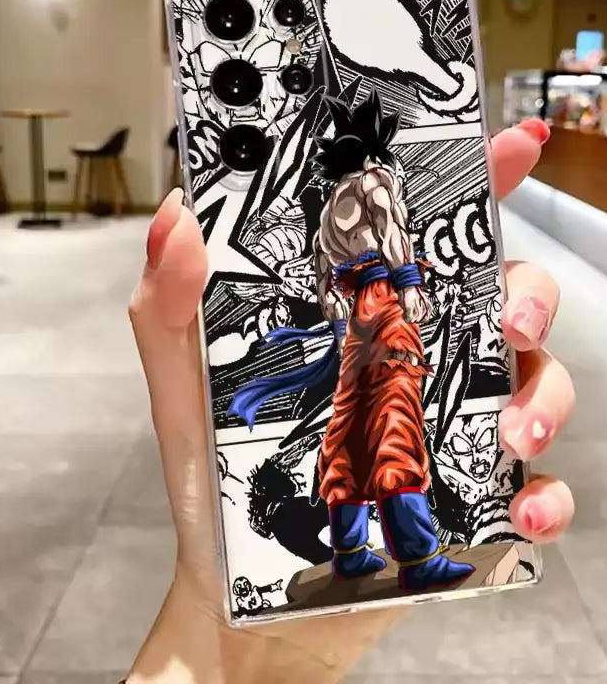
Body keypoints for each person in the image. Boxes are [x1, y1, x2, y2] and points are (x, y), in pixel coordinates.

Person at [126, 118, 575, 684]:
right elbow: (393, 235)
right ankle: (417, 557)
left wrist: (347, 319)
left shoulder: (331, 207)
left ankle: (349, 552)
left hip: (356, 322)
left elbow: (325, 278)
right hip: (386, 307)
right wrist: (410, 284)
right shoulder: (375, 184)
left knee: (351, 428)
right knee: (396, 423)